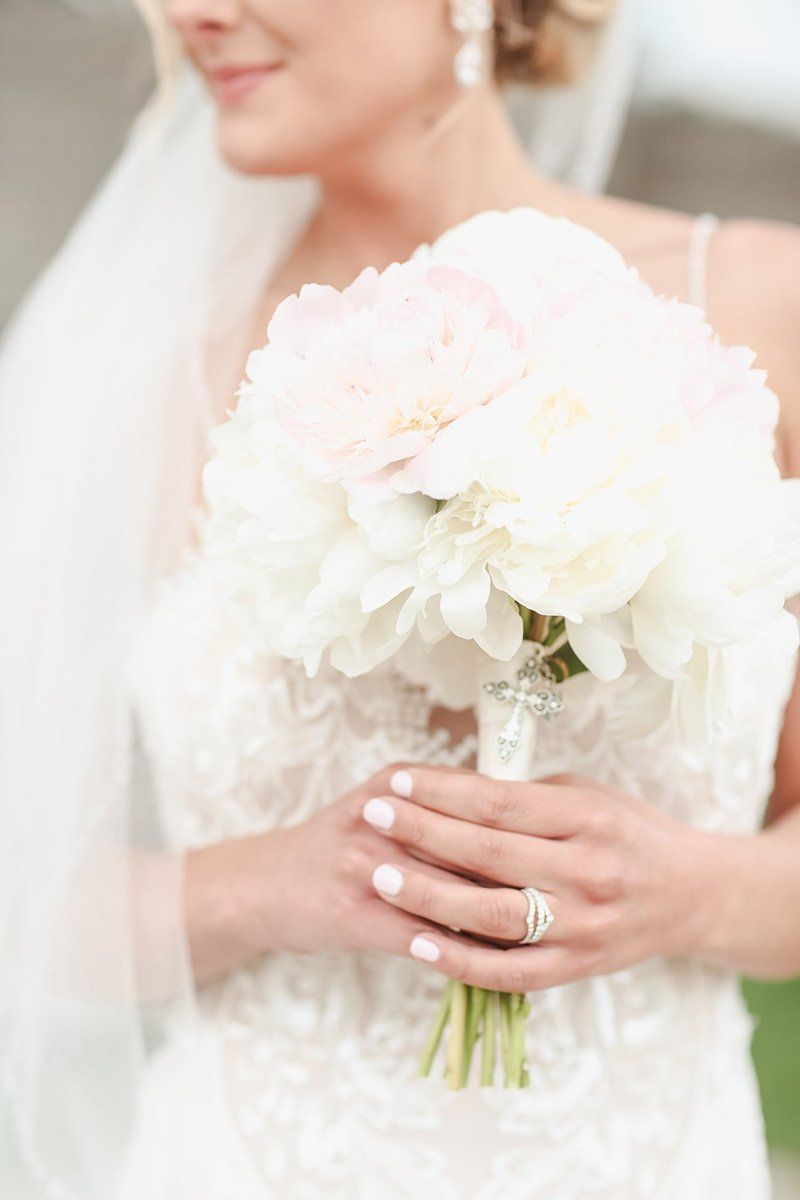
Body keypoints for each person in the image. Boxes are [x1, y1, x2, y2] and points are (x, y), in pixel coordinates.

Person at [1, 2, 799, 1198]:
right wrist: (251, 887)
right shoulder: (138, 370)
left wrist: (691, 887)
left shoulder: (753, 307)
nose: (194, 13)